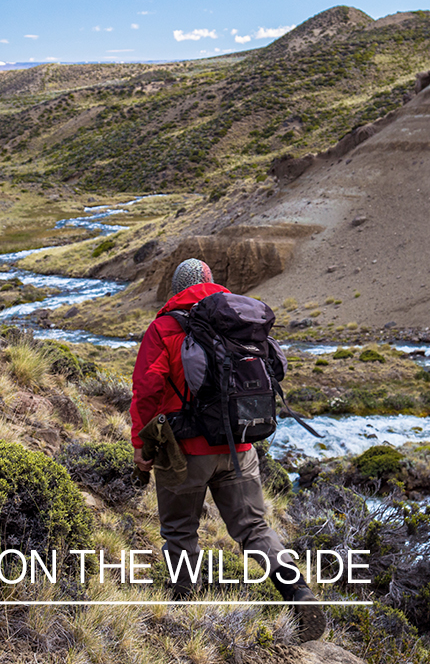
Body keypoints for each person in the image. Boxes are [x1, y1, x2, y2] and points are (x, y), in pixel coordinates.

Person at [130, 259, 326, 641]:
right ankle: (297, 591)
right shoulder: (238, 320)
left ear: (176, 289)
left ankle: (183, 610)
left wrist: (141, 444)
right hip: (239, 445)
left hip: (183, 450)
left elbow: (147, 390)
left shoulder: (166, 326)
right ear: (210, 283)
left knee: (180, 531)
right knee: (253, 528)